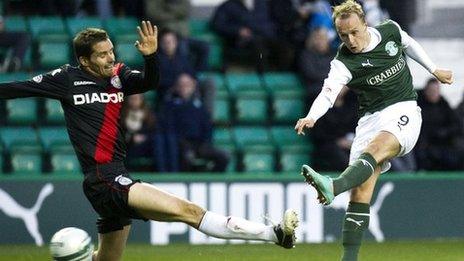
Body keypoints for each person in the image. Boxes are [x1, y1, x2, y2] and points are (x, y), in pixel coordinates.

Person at [0, 21, 298, 260]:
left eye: (111, 50)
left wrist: (151, 56)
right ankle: (274, 234)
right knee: (189, 211)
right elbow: (16, 88)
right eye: (102, 54)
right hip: (104, 179)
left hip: (115, 177)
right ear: (84, 60)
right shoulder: (67, 78)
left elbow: (149, 83)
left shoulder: (118, 75)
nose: (111, 57)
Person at [293, 1, 453, 260]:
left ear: (364, 23)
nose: (350, 40)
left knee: (378, 147)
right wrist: (312, 116)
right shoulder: (343, 61)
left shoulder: (389, 30)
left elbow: (409, 43)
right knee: (360, 192)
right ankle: (350, 258)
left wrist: (434, 69)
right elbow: (328, 93)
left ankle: (333, 186)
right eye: (343, 35)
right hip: (369, 120)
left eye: (354, 32)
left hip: (403, 110)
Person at [162, 73, 230, 172]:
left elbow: (207, 126)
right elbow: (170, 128)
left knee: (224, 156)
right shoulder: (170, 106)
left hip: (201, 144)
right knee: (187, 158)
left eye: (187, 85)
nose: (184, 88)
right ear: (176, 87)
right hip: (182, 145)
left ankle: (212, 181)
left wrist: (206, 143)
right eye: (181, 85)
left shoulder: (200, 107)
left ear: (193, 86)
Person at [415, 78, 464, 170]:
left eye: (436, 91)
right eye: (431, 91)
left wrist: (443, 133)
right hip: (423, 145)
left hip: (443, 144)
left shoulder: (443, 104)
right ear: (426, 91)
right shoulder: (418, 106)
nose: (434, 93)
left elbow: (455, 125)